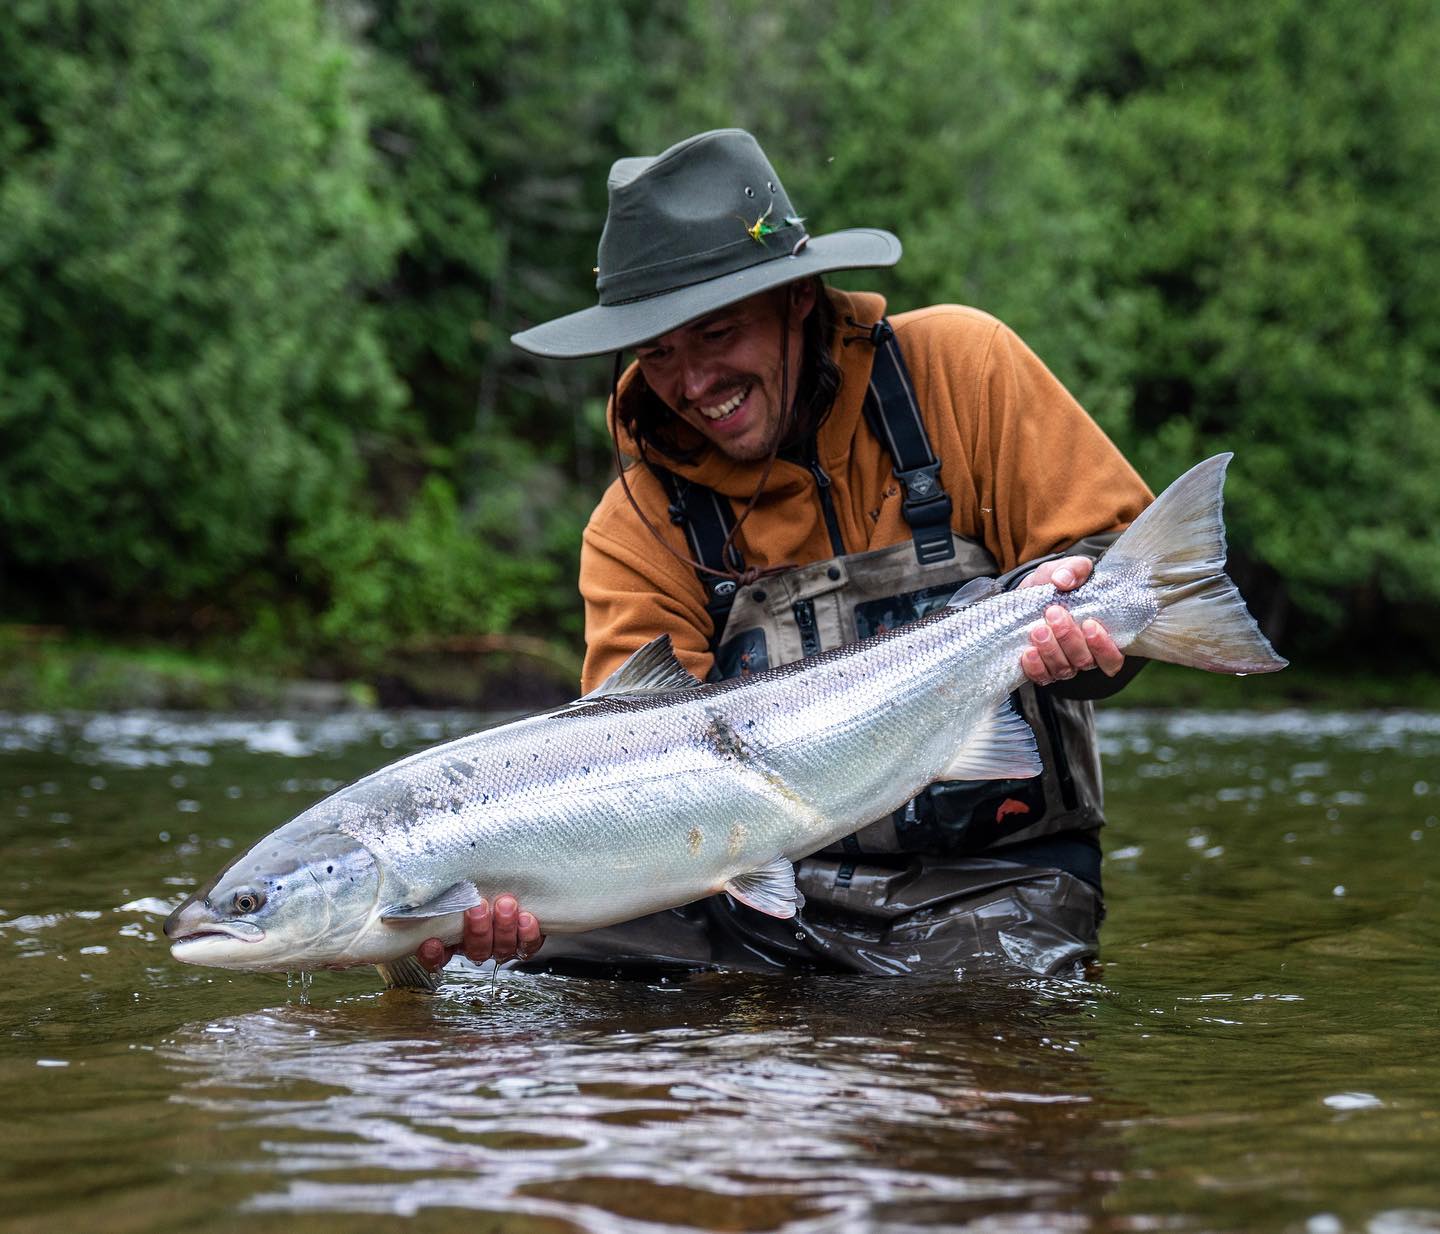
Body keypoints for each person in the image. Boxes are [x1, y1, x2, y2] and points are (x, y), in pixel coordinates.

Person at [417, 128, 1152, 981]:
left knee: (975, 1062)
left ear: (798, 300)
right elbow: (628, 774)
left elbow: (1129, 575)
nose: (693, 384)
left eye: (718, 334)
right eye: (657, 351)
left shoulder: (964, 369)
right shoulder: (634, 523)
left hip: (988, 881)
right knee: (537, 998)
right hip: (745, 900)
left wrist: (1092, 649)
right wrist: (536, 894)